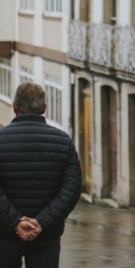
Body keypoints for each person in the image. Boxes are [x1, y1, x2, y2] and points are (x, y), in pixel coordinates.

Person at [0, 82, 82, 268]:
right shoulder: (63, 142)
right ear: (44, 108)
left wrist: (15, 221)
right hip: (47, 233)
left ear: (14, 106)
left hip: (3, 232)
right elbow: (72, 188)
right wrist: (41, 222)